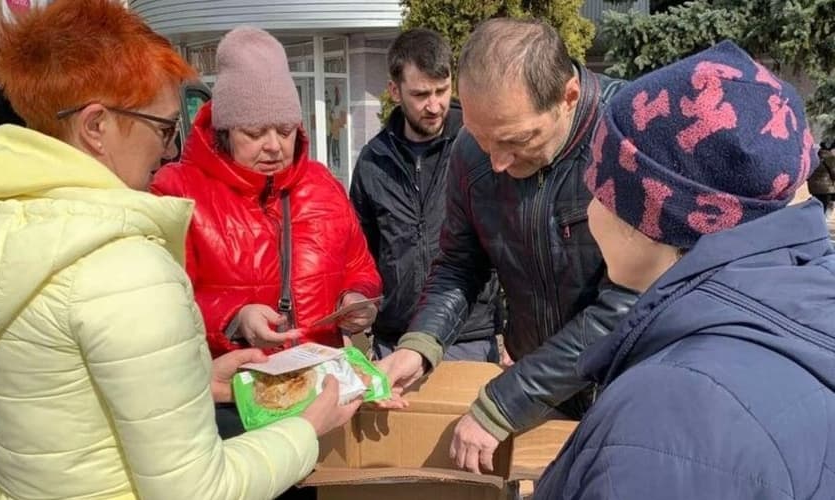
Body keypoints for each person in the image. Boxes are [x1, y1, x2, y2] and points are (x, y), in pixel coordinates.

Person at [0, 2, 359, 499]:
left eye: (284, 130)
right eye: (164, 128)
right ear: (96, 126)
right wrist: (305, 430)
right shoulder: (125, 264)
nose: (168, 149)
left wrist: (197, 378)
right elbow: (195, 490)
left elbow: (73, 406)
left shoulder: (15, 224)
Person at [535, 41, 835, 499]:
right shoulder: (806, 302)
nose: (590, 210)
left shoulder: (669, 417)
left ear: (649, 218)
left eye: (599, 187)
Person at [376, 17, 638, 473]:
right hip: (544, 395)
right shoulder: (470, 151)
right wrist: (418, 345)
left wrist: (508, 400)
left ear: (568, 96)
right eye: (482, 139)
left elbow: (630, 302)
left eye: (516, 140)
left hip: (630, 392)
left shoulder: (629, 134)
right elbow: (460, 263)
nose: (496, 162)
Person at [152, 27, 381, 358]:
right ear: (225, 131)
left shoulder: (323, 185)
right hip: (233, 381)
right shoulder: (178, 193)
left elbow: (360, 267)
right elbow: (162, 302)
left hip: (321, 376)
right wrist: (234, 318)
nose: (274, 145)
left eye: (285, 130)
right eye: (255, 132)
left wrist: (357, 297)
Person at [350, 28, 500, 362]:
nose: (434, 106)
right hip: (394, 338)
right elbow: (359, 254)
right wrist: (357, 298)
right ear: (395, 91)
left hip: (469, 336)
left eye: (441, 90)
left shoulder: (481, 146)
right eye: (420, 95)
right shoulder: (373, 161)